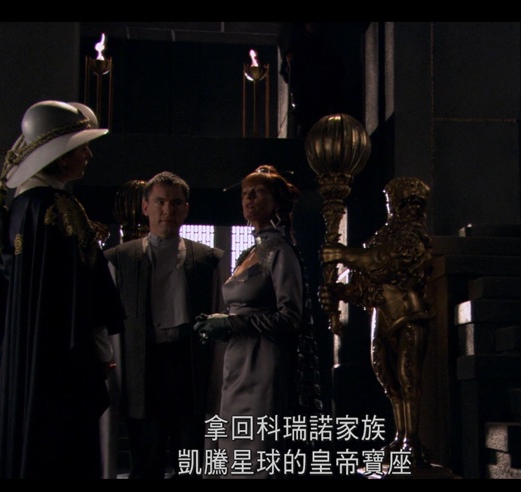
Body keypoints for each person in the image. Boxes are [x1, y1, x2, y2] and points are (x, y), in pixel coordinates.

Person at [0, 100, 125, 478]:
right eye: (82, 147)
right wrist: (99, 352)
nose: (88, 155)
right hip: (57, 365)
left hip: (23, 356)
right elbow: (84, 290)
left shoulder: (22, 207)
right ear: (61, 157)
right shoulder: (59, 208)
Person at [194, 164, 322, 479]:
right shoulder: (250, 253)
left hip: (263, 362)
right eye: (245, 193)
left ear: (276, 202)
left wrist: (232, 324)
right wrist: (218, 324)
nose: (249, 198)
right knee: (233, 447)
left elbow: (290, 317)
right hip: (236, 361)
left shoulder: (280, 251)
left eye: (258, 192)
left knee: (257, 450)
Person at [104, 171, 228, 479]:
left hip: (188, 367)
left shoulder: (207, 259)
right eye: (159, 202)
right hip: (143, 367)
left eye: (176, 203)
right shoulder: (120, 259)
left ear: (186, 209)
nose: (167, 211)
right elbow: (109, 326)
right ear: (145, 207)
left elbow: (219, 321)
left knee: (191, 459)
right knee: (147, 459)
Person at [318, 177, 435, 470]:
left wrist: (342, 253)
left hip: (408, 314)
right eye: (406, 203)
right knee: (389, 380)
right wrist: (338, 292)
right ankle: (401, 434)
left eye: (415, 203)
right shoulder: (383, 236)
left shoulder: (413, 238)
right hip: (381, 315)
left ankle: (412, 440)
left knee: (408, 378)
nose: (411, 208)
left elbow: (387, 263)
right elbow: (365, 287)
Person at [279, 22, 346, 139]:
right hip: (304, 96)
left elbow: (335, 70)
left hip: (321, 95)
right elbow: (286, 71)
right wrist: (290, 64)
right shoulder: (298, 44)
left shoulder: (325, 44)